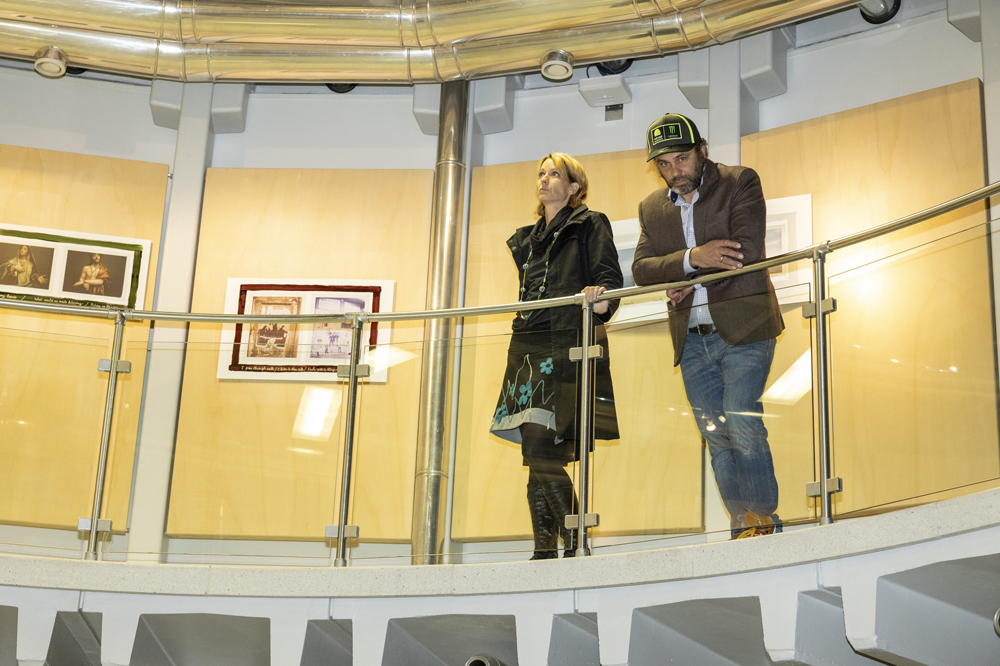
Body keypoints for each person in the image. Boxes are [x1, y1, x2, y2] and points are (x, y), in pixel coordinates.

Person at [631, 113, 784, 539]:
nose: (674, 172)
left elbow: (745, 252)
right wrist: (692, 260)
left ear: (702, 150)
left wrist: (685, 276)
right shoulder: (651, 208)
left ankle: (762, 519)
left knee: (742, 421)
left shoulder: (739, 182)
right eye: (664, 164)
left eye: (681, 159)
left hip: (745, 327)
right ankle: (740, 524)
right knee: (716, 436)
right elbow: (642, 270)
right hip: (691, 341)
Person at [490, 153, 623, 559]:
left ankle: (574, 544)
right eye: (541, 174)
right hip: (526, 346)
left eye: (554, 174)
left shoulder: (589, 222)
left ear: (574, 187)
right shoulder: (527, 239)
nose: (544, 180)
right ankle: (547, 552)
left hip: (566, 344)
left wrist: (600, 298)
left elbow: (608, 279)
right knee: (536, 453)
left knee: (538, 449)